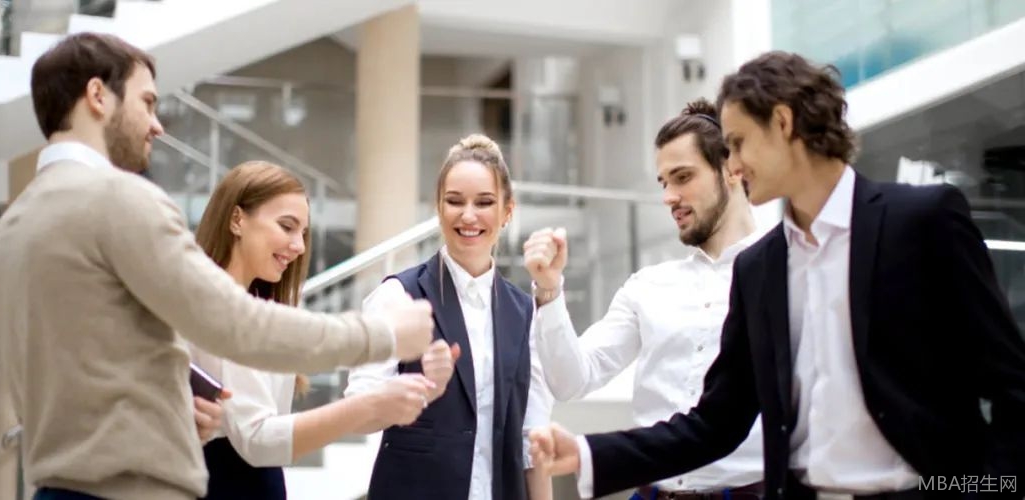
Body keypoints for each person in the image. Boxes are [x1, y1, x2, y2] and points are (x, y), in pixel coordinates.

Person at [530, 51, 1025, 500]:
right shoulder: (760, 268)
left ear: (783, 122)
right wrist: (589, 455)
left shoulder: (922, 220)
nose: (734, 163)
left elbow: (1012, 385)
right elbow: (716, 422)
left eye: (738, 143)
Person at [0, 32, 434, 500]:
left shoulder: (11, 230)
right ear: (98, 95)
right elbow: (237, 323)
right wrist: (383, 335)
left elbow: (77, 385)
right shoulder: (120, 199)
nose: (157, 126)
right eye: (147, 102)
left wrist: (174, 416)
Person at [522, 99, 764, 500]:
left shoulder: (781, 274)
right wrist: (549, 290)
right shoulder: (648, 286)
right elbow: (570, 380)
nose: (669, 196)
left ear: (731, 170)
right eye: (663, 182)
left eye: (682, 177)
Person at [189, 161, 452, 500]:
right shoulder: (217, 309)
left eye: (303, 233)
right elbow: (258, 440)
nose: (299, 246)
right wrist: (372, 403)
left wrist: (413, 391)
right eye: (287, 226)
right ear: (237, 219)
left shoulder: (253, 307)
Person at [345, 134, 554, 500]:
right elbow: (356, 413)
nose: (468, 215)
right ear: (438, 208)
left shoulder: (525, 313)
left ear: (507, 211)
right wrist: (418, 390)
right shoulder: (397, 296)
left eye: (484, 202)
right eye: (455, 201)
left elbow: (532, 440)